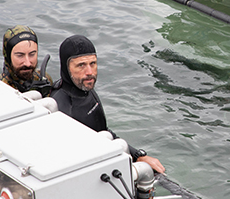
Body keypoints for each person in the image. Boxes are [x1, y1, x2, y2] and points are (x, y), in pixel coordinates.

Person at [51, 35, 165, 174]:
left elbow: (103, 132)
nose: (90, 72)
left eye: (92, 63)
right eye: (81, 65)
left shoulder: (85, 90)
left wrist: (138, 156)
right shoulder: (60, 109)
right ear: (66, 68)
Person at [0, 25, 53, 97]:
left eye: (32, 54)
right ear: (7, 57)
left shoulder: (44, 79)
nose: (27, 63)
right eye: (20, 55)